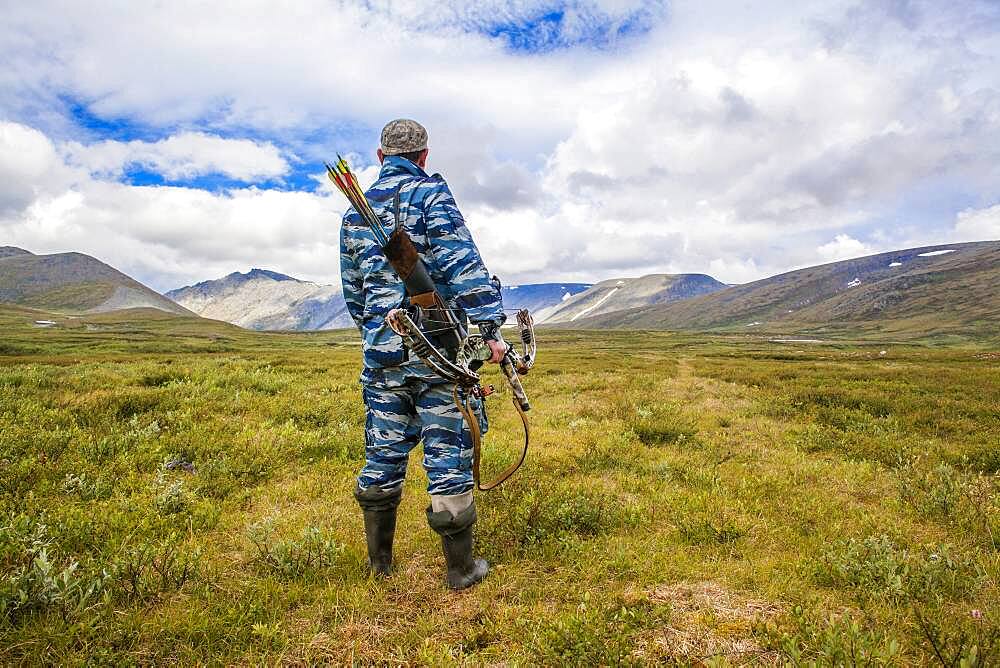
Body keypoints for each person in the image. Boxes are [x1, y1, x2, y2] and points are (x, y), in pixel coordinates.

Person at [339, 118, 508, 590]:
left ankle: (380, 566)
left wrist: (378, 331)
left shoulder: (356, 212)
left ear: (380, 157)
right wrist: (491, 329)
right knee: (448, 455)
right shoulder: (432, 196)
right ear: (424, 157)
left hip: (382, 354)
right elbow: (463, 265)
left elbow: (355, 293)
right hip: (439, 354)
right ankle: (459, 571)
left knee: (383, 452)